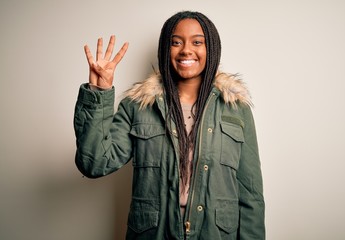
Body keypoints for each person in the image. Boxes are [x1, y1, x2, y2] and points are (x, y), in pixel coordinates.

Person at [74, 10, 265, 240]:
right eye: (176, 42)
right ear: (166, 49)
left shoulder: (235, 108)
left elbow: (251, 194)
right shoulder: (138, 106)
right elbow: (94, 163)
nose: (186, 49)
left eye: (197, 42)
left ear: (211, 48)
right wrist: (99, 93)